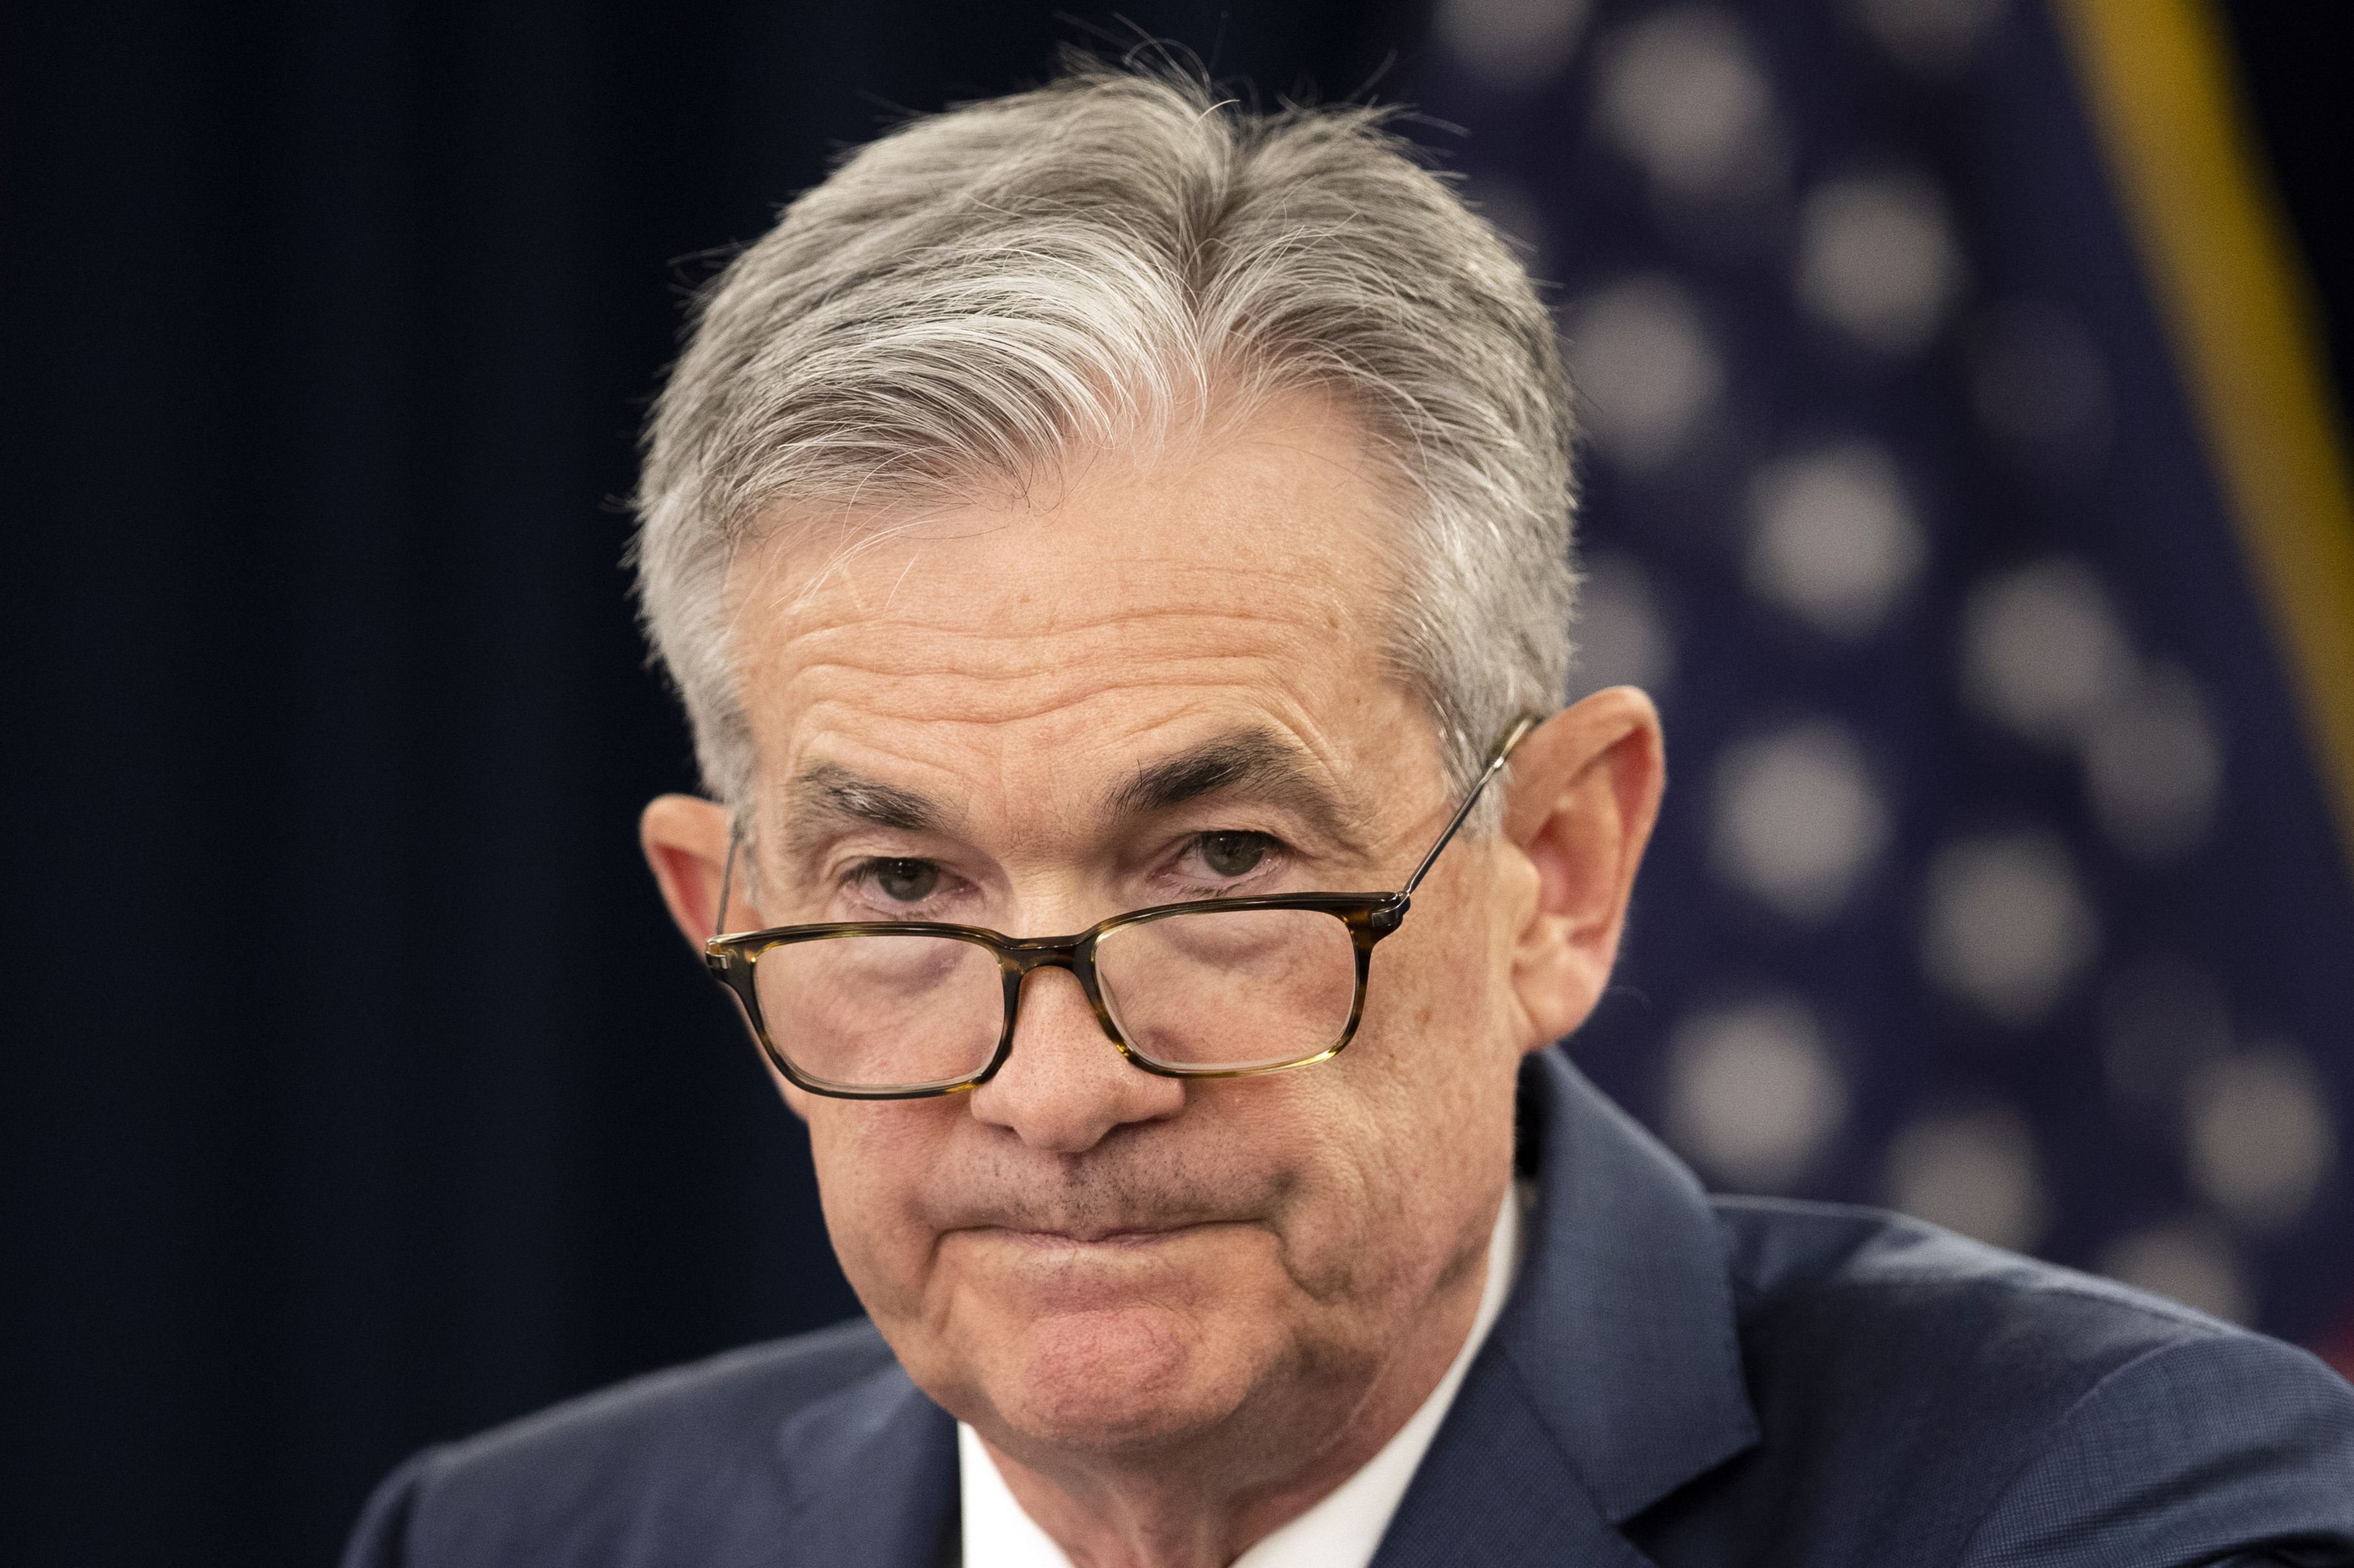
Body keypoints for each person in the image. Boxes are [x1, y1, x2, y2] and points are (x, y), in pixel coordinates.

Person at [343, 62, 2354, 1568]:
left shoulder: (2121, 1505)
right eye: (898, 885)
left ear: (1556, 870)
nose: (1051, 1091)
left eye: (1218, 864)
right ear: (724, 916)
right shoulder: (516, 1539)